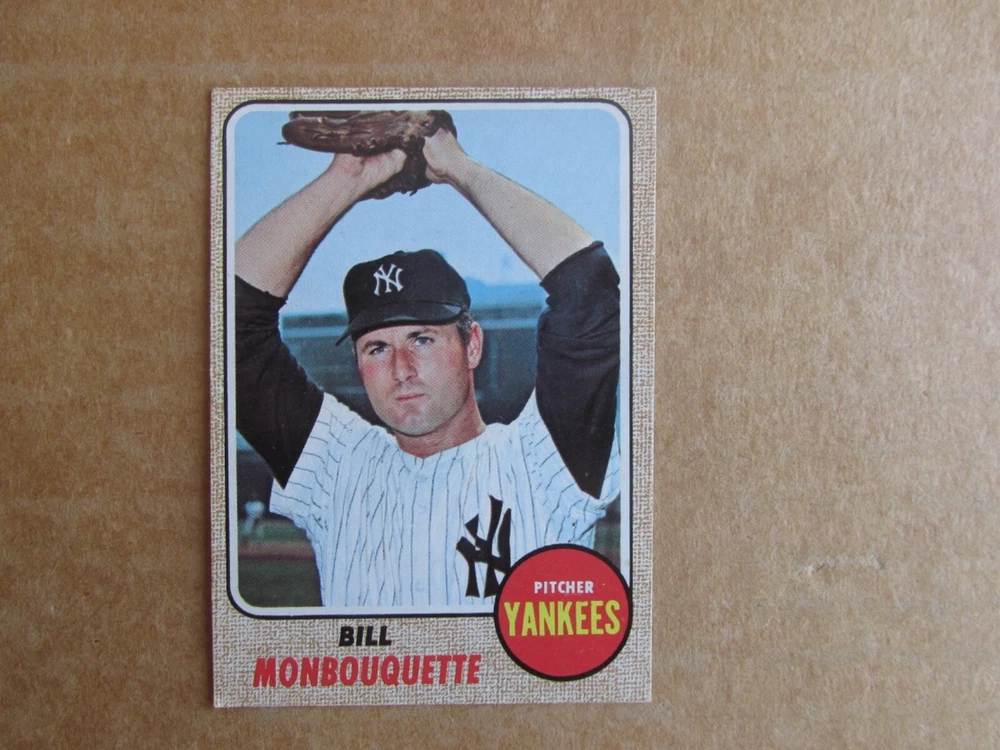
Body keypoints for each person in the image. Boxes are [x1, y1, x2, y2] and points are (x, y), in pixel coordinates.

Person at [235, 124, 620, 610]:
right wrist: (348, 177)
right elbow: (232, 323)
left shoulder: (542, 458)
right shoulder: (336, 463)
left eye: (422, 339)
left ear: (472, 345)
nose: (402, 369)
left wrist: (455, 166)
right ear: (357, 363)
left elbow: (590, 289)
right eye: (377, 348)